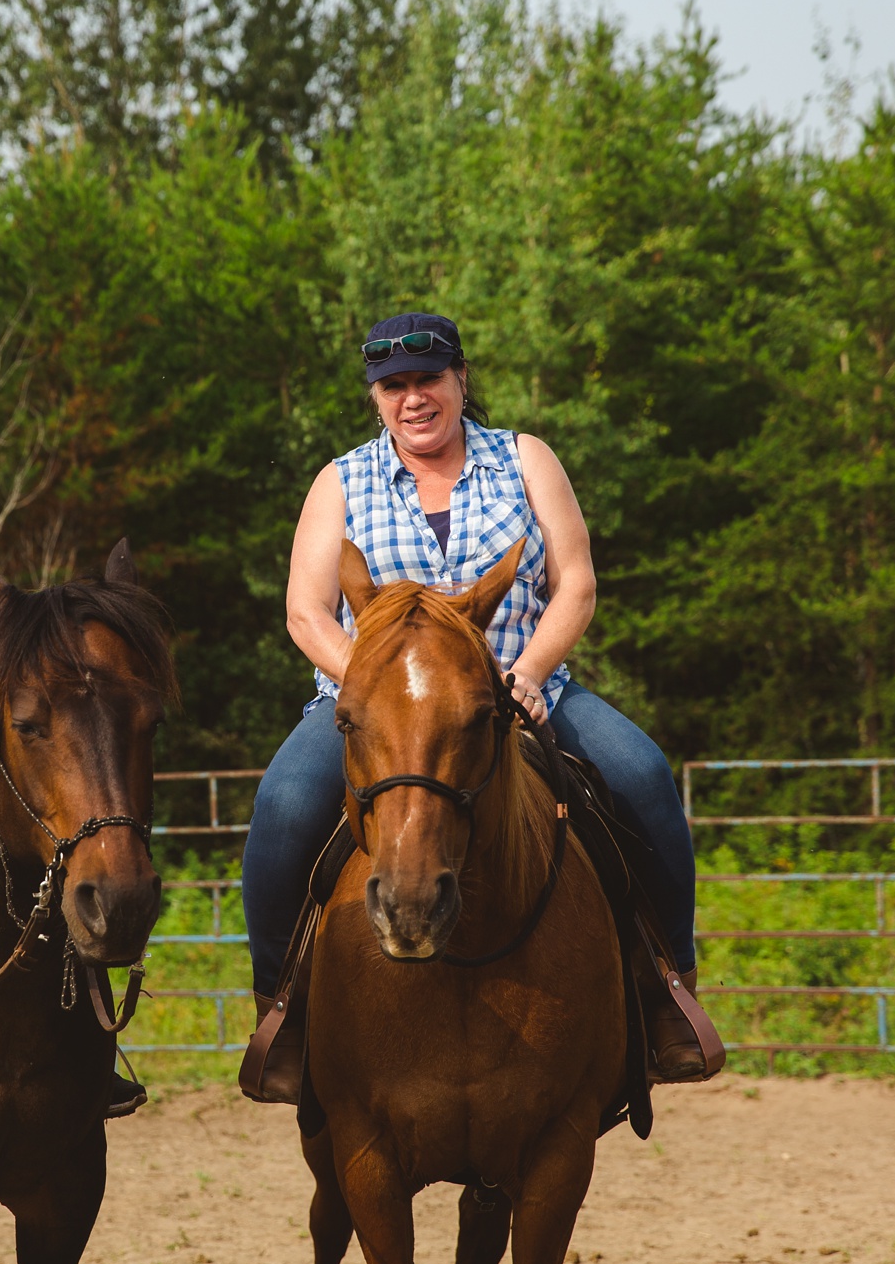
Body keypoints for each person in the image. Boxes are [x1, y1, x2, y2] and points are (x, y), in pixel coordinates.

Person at [240, 311, 705, 1083]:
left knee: (646, 776)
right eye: (394, 386)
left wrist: (525, 672)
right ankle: (281, 1010)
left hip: (525, 686)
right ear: (375, 397)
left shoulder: (525, 459)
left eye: (428, 380)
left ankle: (669, 993)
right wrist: (375, 684)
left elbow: (576, 583)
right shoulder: (341, 480)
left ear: (460, 380)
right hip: (371, 702)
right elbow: (304, 610)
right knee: (286, 805)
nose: (412, 399)